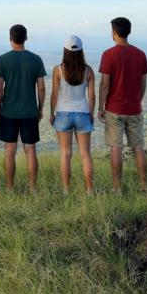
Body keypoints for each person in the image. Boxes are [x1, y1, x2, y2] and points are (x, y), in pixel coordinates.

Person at [98, 17, 147, 192]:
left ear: (114, 32)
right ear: (129, 31)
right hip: (135, 108)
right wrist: (137, 100)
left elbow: (105, 84)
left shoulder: (108, 55)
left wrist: (100, 107)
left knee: (116, 149)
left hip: (114, 109)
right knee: (138, 147)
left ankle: (117, 187)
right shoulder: (140, 54)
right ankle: (143, 185)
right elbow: (143, 83)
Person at [0, 24, 46, 191]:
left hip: (8, 111)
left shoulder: (3, 59)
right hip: (30, 111)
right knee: (30, 150)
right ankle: (32, 186)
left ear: (10, 39)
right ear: (26, 38)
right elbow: (41, 88)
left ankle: (10, 187)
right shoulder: (36, 59)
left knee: (10, 150)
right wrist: (40, 108)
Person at [49, 35, 95, 194]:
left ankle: (66, 190)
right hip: (83, 113)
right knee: (85, 154)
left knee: (65, 153)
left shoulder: (58, 70)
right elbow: (92, 96)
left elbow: (54, 95)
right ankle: (89, 190)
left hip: (63, 114)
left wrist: (51, 113)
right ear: (81, 51)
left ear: (65, 50)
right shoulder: (88, 70)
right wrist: (91, 114)